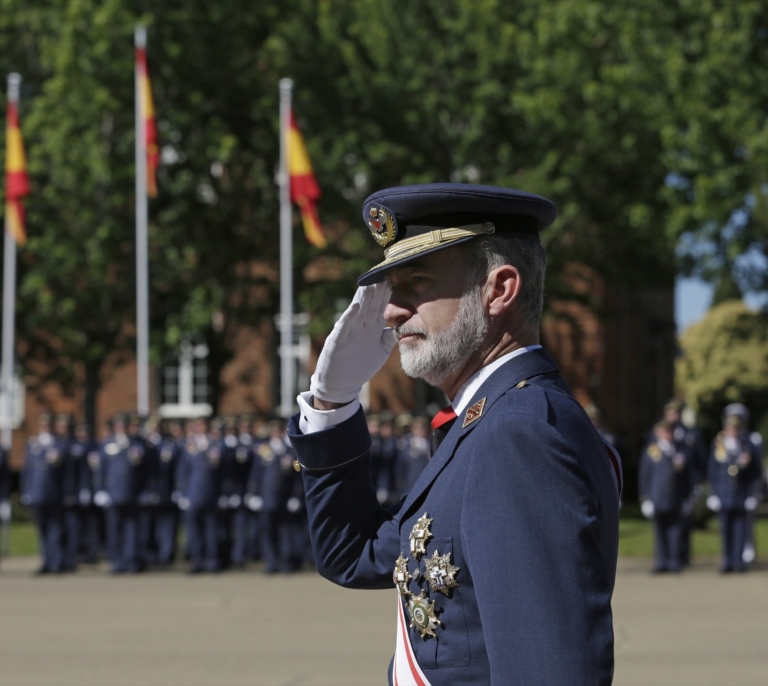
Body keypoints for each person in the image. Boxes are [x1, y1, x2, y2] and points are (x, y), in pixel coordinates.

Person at [287, 183, 621, 684]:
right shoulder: (490, 421)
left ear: (499, 290)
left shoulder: (520, 433)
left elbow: (548, 669)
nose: (390, 311)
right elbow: (352, 555)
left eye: (416, 283)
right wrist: (332, 403)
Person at [707, 408, 763, 572]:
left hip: (742, 494)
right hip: (724, 494)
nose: (733, 431)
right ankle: (727, 561)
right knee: (725, 531)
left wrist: (754, 494)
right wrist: (712, 493)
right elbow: (713, 471)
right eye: (731, 428)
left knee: (740, 531)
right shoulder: (719, 444)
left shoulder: (748, 444)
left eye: (736, 428)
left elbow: (755, 473)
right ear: (726, 428)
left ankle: (739, 562)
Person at [639, 420, 694, 572]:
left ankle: (674, 562)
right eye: (663, 432)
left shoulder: (680, 450)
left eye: (669, 432)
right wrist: (645, 498)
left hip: (676, 498)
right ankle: (661, 562)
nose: (666, 435)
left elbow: (687, 477)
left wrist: (688, 498)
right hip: (657, 497)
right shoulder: (651, 450)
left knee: (675, 531)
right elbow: (645, 475)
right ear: (658, 434)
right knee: (660, 531)